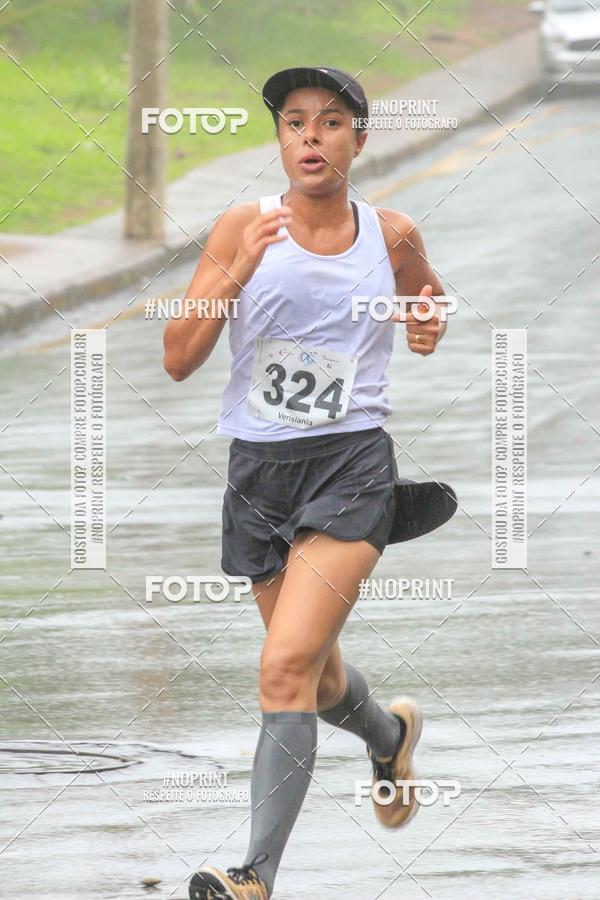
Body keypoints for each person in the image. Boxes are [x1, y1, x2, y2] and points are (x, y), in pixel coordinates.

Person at [163, 66, 457, 900]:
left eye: (330, 124)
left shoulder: (389, 232)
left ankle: (253, 874)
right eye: (294, 124)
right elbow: (178, 359)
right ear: (280, 140)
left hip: (351, 467)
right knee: (317, 680)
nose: (310, 138)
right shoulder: (241, 227)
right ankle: (389, 734)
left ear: (358, 140)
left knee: (284, 666)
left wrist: (427, 322)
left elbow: (425, 300)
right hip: (259, 474)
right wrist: (231, 273)